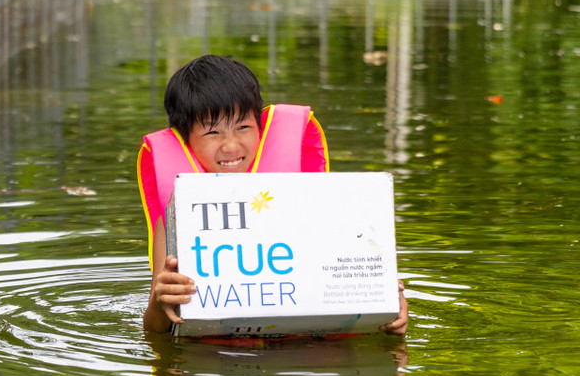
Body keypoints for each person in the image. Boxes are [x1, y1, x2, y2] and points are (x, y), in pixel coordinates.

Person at [138, 54, 408, 336]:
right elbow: (154, 329)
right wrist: (160, 301)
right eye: (213, 132)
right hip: (216, 355)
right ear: (185, 140)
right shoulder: (176, 218)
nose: (231, 145)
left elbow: (356, 292)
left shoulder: (315, 199)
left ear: (260, 126)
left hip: (304, 347)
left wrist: (388, 304)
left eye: (243, 127)